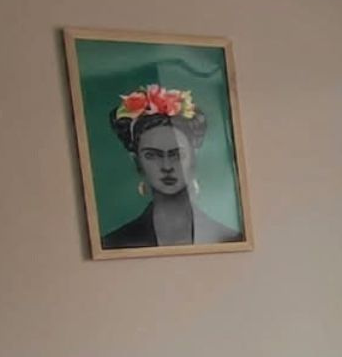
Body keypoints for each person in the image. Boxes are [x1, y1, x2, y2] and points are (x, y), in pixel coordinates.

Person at [100, 84, 243, 249]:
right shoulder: (115, 244)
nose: (166, 166)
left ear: (194, 157)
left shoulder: (228, 239)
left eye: (177, 154)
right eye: (152, 155)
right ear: (137, 161)